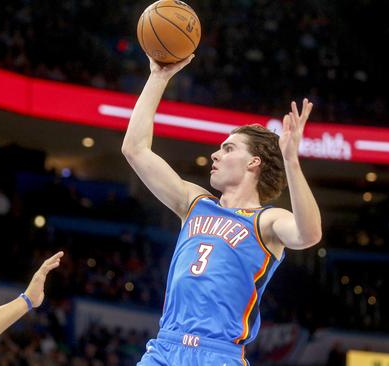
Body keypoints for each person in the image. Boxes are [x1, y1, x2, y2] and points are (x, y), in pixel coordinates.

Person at [122, 54, 322, 366]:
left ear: (254, 162)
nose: (215, 154)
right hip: (165, 347)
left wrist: (291, 161)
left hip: (218, 354)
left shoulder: (266, 220)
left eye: (228, 148)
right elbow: (134, 149)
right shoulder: (195, 203)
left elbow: (308, 234)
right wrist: (158, 78)